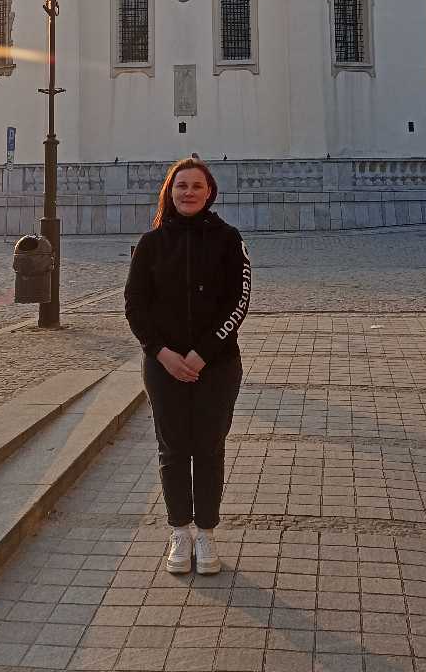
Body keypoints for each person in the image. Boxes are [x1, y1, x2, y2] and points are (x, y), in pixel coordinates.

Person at [124, 157, 251, 575]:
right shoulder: (151, 243)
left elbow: (239, 301)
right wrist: (161, 352)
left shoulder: (229, 239)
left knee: (209, 447)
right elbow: (135, 305)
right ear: (170, 191)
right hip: (164, 366)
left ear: (209, 192)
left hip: (216, 366)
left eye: (197, 185)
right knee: (173, 448)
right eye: (181, 185)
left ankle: (207, 532)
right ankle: (179, 531)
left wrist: (203, 353)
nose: (189, 192)